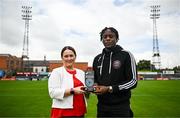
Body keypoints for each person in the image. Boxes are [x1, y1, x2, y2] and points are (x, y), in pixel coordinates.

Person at [93, 27, 138, 117]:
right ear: (102, 39)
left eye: (111, 36)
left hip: (121, 107)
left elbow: (133, 81)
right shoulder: (97, 58)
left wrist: (110, 88)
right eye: (105, 37)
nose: (108, 38)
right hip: (102, 107)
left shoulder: (126, 55)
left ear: (117, 39)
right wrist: (94, 85)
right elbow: (95, 79)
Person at [48, 46, 87, 118]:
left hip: (80, 111)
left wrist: (90, 90)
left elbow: (85, 93)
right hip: (63, 112)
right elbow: (52, 93)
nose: (69, 58)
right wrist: (73, 90)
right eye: (66, 56)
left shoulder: (81, 72)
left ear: (75, 57)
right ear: (62, 58)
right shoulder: (56, 72)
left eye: (71, 55)